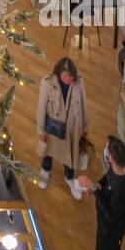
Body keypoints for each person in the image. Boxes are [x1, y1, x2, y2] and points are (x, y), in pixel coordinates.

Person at [36, 56, 89, 200]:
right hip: (53, 125)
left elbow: (84, 105)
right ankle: (45, 170)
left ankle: (69, 177)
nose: (69, 79)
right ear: (59, 73)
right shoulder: (47, 83)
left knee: (71, 153)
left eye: (71, 76)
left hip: (73, 127)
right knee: (49, 149)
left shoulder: (79, 83)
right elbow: (41, 108)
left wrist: (85, 127)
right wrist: (40, 130)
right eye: (66, 76)